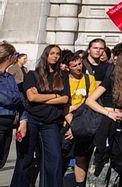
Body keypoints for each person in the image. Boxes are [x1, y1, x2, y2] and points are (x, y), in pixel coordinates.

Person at [13, 44, 69, 187]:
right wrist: (55, 95)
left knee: (54, 159)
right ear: (46, 55)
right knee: (25, 159)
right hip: (32, 120)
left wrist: (42, 96)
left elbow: (65, 99)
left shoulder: (63, 76)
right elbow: (31, 98)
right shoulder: (32, 75)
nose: (55, 56)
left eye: (57, 54)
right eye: (52, 53)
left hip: (51, 123)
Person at [84, 51, 122, 187]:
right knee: (101, 162)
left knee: (116, 163)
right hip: (106, 124)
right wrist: (108, 113)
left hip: (120, 125)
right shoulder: (110, 79)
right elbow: (90, 101)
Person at [65, 49, 98, 187]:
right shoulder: (64, 79)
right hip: (66, 121)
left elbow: (89, 101)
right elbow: (64, 106)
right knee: (60, 157)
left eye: (80, 64)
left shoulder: (89, 79)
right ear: (67, 67)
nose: (79, 67)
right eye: (75, 65)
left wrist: (75, 106)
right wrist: (72, 124)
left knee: (81, 156)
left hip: (83, 121)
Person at [0, 43, 21, 172]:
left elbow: (19, 98)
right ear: (9, 56)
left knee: (2, 159)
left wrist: (15, 98)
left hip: (9, 123)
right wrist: (15, 98)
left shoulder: (9, 77)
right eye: (15, 55)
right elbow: (5, 98)